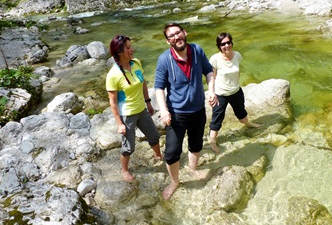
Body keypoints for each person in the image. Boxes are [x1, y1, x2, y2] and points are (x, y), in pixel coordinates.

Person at [154, 23, 218, 200]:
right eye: (172, 36)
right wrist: (164, 110)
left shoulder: (197, 50)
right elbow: (159, 87)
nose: (176, 37)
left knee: (196, 144)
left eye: (178, 33)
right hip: (176, 113)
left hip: (198, 109)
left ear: (185, 33)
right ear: (168, 41)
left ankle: (192, 169)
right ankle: (174, 181)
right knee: (172, 152)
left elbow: (209, 72)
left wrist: (211, 90)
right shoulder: (164, 60)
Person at [106, 34, 162, 182]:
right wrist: (119, 124)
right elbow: (112, 102)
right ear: (119, 52)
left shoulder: (136, 63)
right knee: (128, 147)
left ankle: (158, 156)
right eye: (128, 48)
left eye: (131, 46)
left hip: (142, 110)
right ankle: (124, 170)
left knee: (154, 136)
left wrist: (148, 102)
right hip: (127, 116)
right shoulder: (113, 75)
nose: (132, 50)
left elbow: (143, 83)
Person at [209, 32, 261, 153]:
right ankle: (212, 141)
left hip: (236, 91)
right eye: (223, 44)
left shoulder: (237, 55)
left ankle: (247, 123)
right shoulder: (215, 59)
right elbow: (212, 77)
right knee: (217, 119)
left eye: (228, 42)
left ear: (231, 43)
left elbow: (237, 71)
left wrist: (235, 84)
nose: (226, 45)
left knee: (241, 112)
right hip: (221, 94)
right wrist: (212, 93)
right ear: (219, 46)